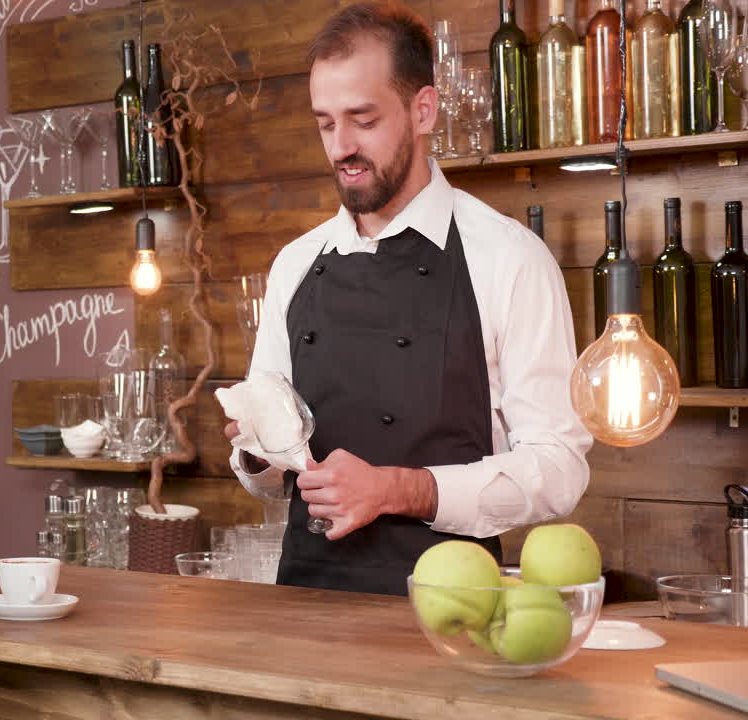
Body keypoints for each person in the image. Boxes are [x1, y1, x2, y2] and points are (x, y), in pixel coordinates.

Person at [225, 2, 592, 596]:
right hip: (301, 600)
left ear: (423, 110)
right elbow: (268, 475)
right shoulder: (295, 264)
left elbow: (558, 469)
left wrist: (395, 489)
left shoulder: (508, 257)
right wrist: (257, 453)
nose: (341, 147)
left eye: (363, 119)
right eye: (325, 124)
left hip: (451, 602)